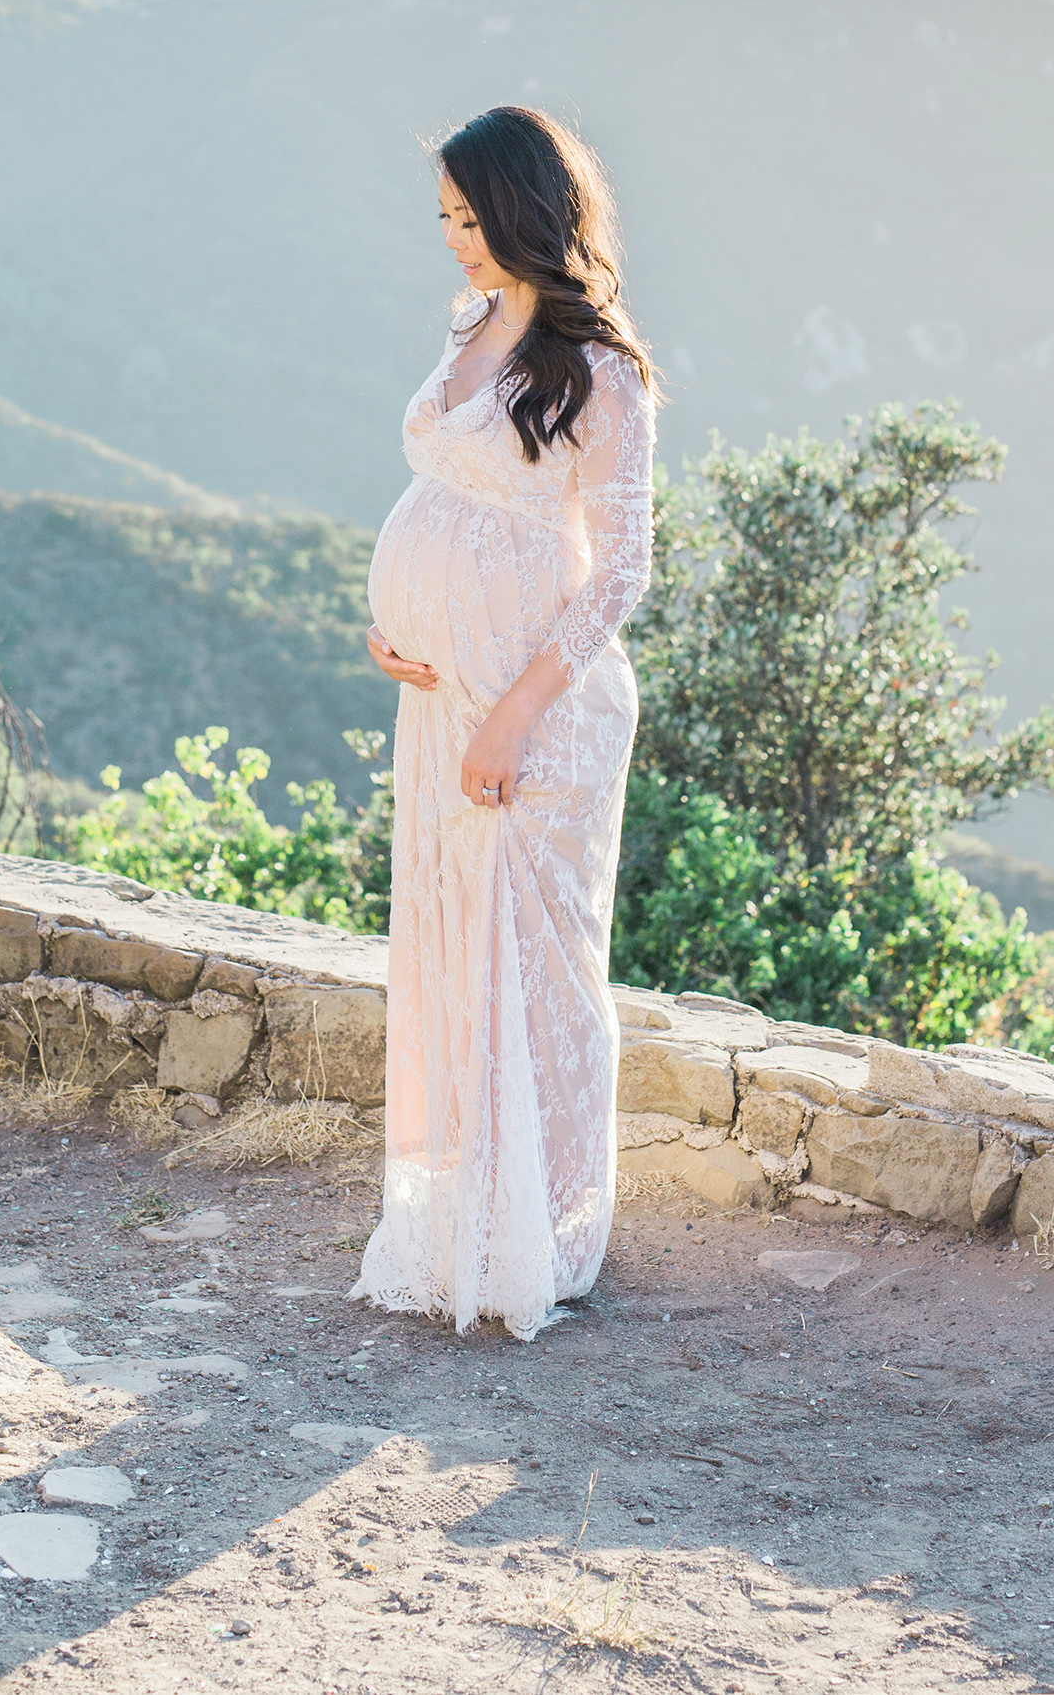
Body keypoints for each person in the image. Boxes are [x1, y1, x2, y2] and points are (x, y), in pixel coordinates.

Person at [354, 103, 657, 1340]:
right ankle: (465, 1213)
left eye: (471, 219)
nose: (454, 242)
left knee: (536, 966)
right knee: (451, 941)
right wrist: (399, 629)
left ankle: (550, 1230)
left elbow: (622, 567)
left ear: (532, 208)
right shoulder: (469, 328)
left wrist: (513, 716)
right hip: (442, 698)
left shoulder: (604, 372)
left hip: (538, 712)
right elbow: (444, 492)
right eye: (442, 219)